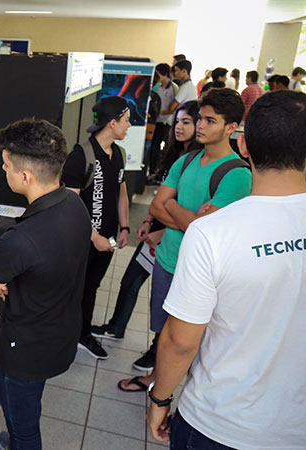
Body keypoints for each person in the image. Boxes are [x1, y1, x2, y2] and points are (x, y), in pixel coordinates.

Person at [146, 90, 306, 449]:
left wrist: (160, 400)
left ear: (244, 144)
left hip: (219, 421)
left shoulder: (214, 232)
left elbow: (181, 340)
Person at [0, 119, 91, 450]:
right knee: (28, 405)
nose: (3, 169)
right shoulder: (74, 204)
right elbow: (54, 262)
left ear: (25, 176)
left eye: (6, 165)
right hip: (60, 331)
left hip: (24, 349)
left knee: (23, 426)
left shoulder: (20, 239)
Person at [117, 88, 252, 391]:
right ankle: (156, 379)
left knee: (191, 341)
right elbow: (156, 207)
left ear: (231, 128)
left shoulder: (237, 175)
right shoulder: (187, 160)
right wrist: (187, 218)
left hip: (200, 274)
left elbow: (202, 229)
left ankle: (179, 395)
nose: (201, 126)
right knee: (164, 332)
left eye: (210, 121)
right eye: (200, 119)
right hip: (167, 260)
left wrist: (174, 209)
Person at [91, 101, 200, 356]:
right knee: (130, 282)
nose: (179, 128)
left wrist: (162, 230)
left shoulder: (198, 163)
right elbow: (161, 200)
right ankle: (116, 327)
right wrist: (150, 221)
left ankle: (156, 351)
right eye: (178, 122)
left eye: (187, 122)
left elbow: (193, 217)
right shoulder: (174, 155)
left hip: (173, 239)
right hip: (155, 231)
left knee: (165, 298)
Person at [61, 96, 131, 360]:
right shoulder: (81, 156)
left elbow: (121, 193)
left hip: (107, 239)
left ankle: (82, 332)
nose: (129, 125)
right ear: (112, 123)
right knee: (74, 287)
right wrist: (94, 237)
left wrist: (124, 227)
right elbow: (71, 204)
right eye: (125, 120)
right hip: (83, 240)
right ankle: (70, 334)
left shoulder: (118, 154)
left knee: (91, 287)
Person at [148, 63, 178, 179]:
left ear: (165, 74)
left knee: (161, 146)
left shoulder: (174, 88)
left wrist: (160, 113)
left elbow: (173, 108)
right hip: (156, 121)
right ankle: (153, 169)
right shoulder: (157, 87)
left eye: (158, 74)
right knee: (154, 146)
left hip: (167, 122)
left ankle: (158, 170)